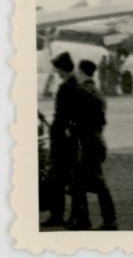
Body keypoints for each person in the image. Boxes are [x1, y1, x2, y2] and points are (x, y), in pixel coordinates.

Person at [68, 60, 117, 230]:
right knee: (79, 181)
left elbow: (74, 120)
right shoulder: (98, 92)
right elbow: (101, 119)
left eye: (78, 72)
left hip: (86, 142)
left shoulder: (81, 92)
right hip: (96, 139)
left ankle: (107, 220)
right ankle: (85, 220)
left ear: (81, 73)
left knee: (93, 181)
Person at [40, 52, 79, 228]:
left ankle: (62, 216)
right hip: (69, 139)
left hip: (63, 141)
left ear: (62, 69)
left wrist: (62, 132)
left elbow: (63, 116)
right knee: (66, 180)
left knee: (61, 179)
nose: (57, 73)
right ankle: (69, 216)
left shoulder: (66, 87)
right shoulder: (76, 85)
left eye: (58, 70)